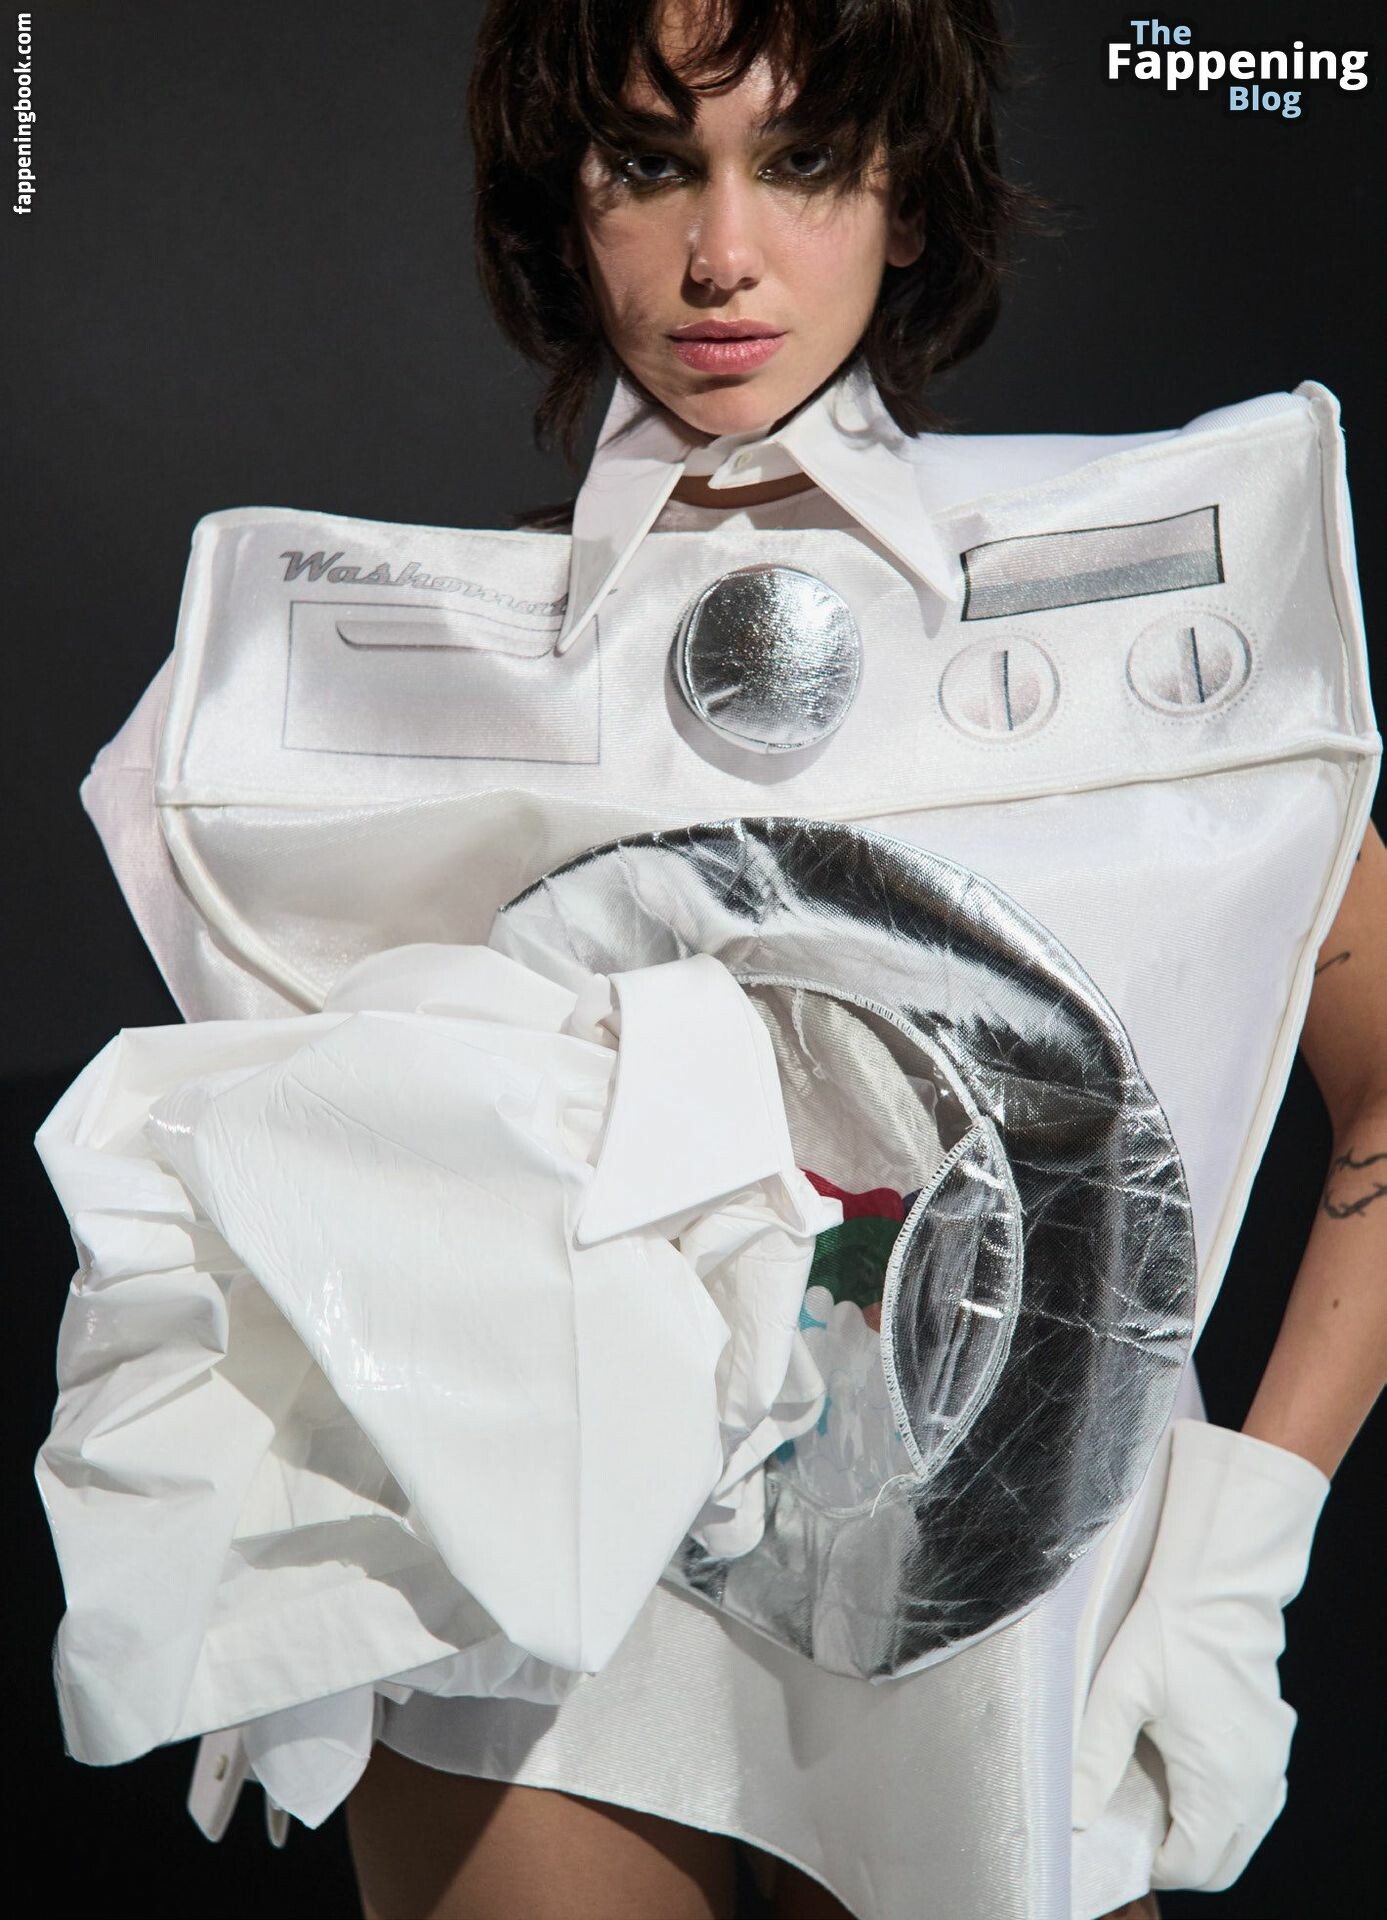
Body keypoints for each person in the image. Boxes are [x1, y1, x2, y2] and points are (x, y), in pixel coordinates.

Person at [32, 3, 1383, 1919]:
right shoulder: (417, 667)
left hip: (991, 1554)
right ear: (561, 200)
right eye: (652, 165)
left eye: (804, 162)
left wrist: (1248, 1536)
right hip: (534, 1560)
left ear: (910, 196)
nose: (722, 254)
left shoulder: (1124, 624)